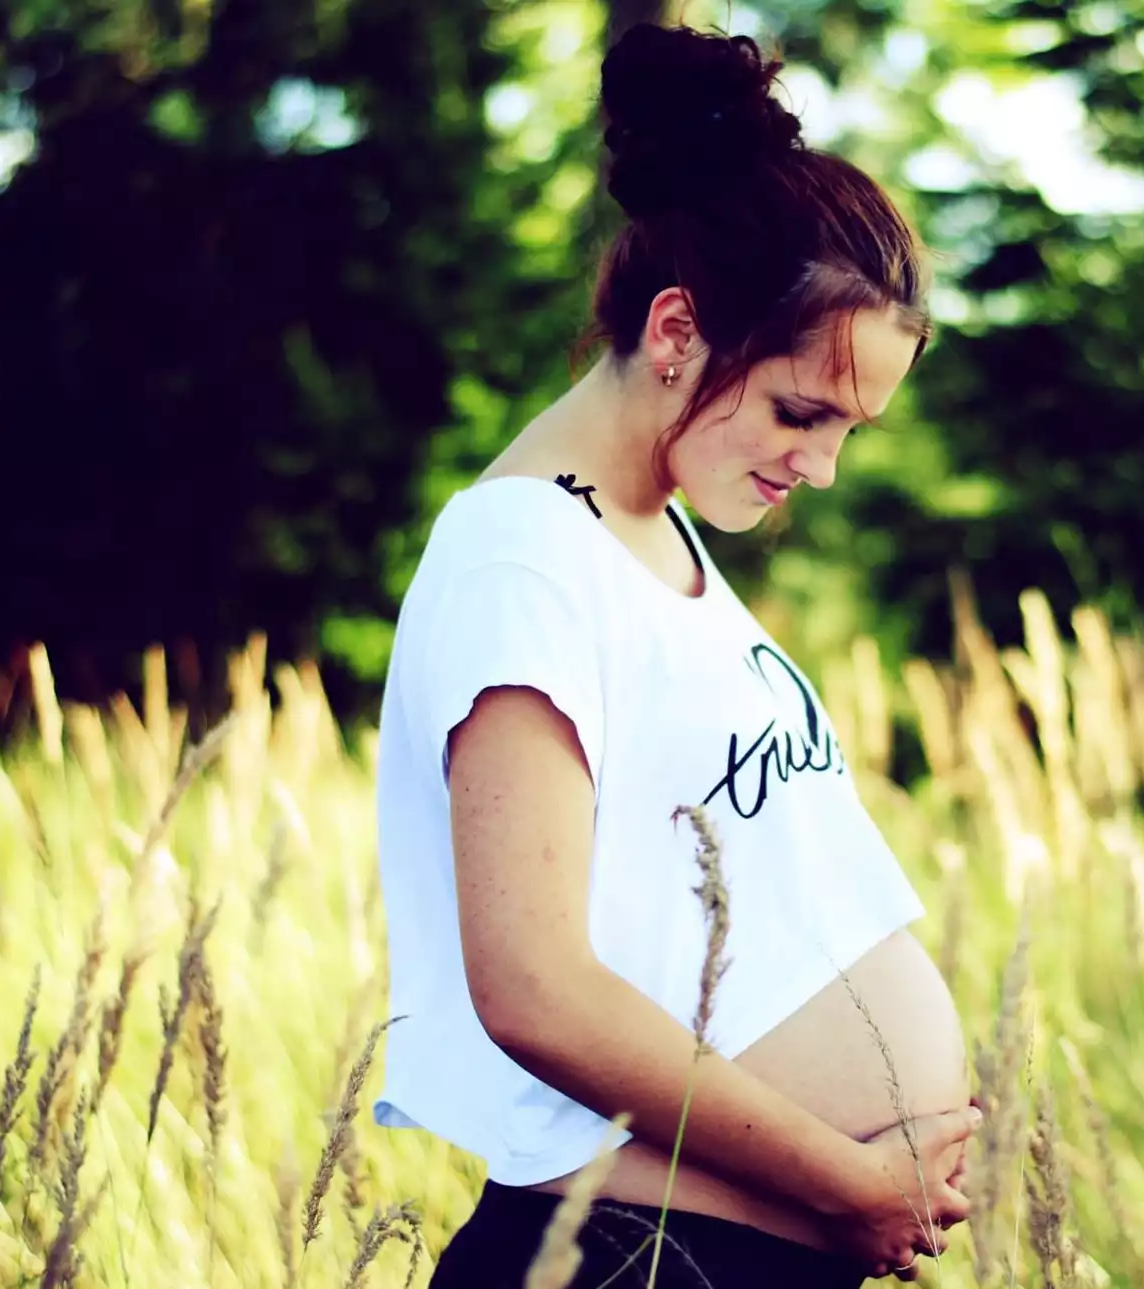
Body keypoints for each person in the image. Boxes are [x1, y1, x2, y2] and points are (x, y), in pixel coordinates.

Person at [372, 21, 978, 1288]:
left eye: (850, 429)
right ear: (675, 331)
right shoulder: (522, 559)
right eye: (802, 411)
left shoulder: (653, 529)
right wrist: (849, 1180)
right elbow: (533, 986)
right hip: (635, 1257)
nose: (821, 465)